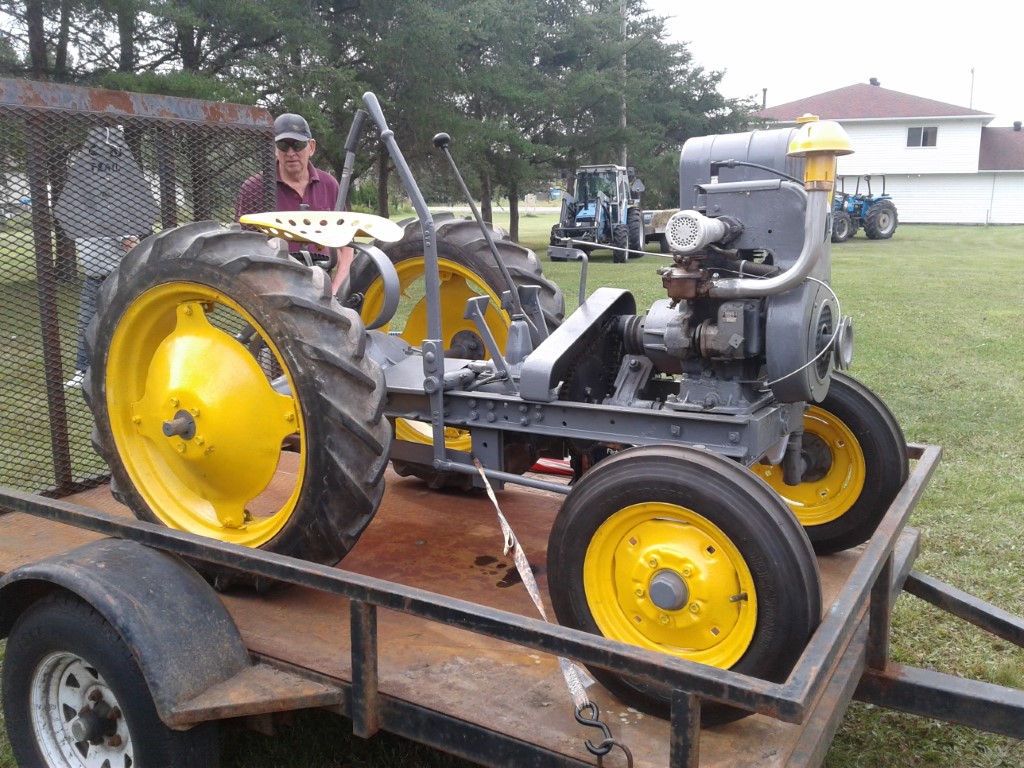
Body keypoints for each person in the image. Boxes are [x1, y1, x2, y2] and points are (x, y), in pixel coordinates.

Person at [235, 113, 353, 287]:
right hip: (273, 286)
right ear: (274, 149)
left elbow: (346, 245)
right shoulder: (253, 188)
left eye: (298, 145)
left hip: (324, 282)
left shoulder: (329, 185)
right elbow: (241, 247)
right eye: (283, 145)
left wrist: (337, 289)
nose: (291, 153)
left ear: (311, 147)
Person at [64, 235, 139, 389]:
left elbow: (132, 245)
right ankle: (83, 371)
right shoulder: (80, 225)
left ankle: (128, 367)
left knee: (122, 321)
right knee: (85, 323)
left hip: (116, 277)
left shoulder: (112, 222)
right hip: (92, 280)